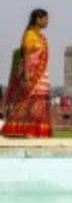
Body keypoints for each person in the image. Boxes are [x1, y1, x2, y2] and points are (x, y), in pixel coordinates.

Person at [2, 9, 52, 138]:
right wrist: (26, 76)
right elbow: (27, 57)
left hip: (41, 76)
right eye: (45, 18)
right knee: (29, 103)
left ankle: (37, 131)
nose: (47, 21)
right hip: (30, 75)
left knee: (39, 103)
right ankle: (24, 130)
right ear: (37, 19)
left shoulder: (41, 37)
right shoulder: (30, 35)